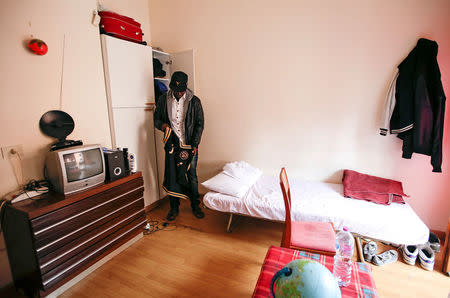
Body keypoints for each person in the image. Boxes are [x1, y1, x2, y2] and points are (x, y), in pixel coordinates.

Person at [154, 71, 205, 221]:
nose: (178, 93)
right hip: (172, 144)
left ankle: (195, 206)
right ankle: (173, 208)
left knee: (192, 176)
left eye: (181, 90)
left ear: (186, 87)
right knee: (172, 175)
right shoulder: (163, 99)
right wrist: (162, 125)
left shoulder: (195, 101)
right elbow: (156, 119)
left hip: (189, 144)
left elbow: (199, 125)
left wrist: (195, 144)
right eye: (175, 90)